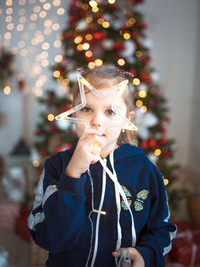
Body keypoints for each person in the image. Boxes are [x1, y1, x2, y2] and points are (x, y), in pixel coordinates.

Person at [28, 66, 177, 267]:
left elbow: (162, 228)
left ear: (127, 119)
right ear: (73, 110)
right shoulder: (56, 167)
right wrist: (72, 174)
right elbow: (48, 237)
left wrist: (146, 255)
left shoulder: (144, 171)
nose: (97, 121)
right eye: (87, 109)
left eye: (110, 111)